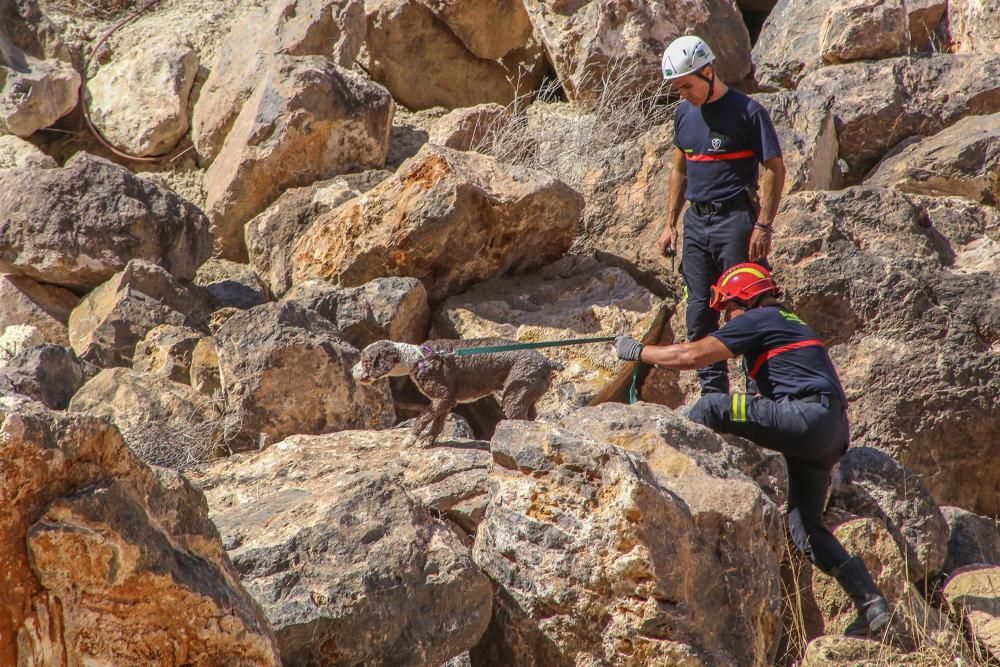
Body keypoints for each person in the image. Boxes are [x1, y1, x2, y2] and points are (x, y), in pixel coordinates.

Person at [614, 263, 892, 637]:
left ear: (744, 299)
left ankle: (672, 494)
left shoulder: (759, 318)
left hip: (803, 416)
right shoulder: (790, 321)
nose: (727, 318)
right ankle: (872, 605)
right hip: (830, 430)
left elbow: (690, 357)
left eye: (728, 308)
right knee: (804, 526)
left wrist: (639, 351)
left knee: (714, 405)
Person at [657, 35, 786, 396]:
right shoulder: (683, 114)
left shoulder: (748, 112)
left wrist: (763, 224)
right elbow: (680, 170)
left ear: (709, 72)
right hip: (696, 223)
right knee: (699, 311)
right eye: (676, 88)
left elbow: (775, 167)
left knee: (742, 309)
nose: (683, 93)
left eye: (687, 85)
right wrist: (669, 224)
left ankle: (757, 393)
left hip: (736, 221)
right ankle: (714, 395)